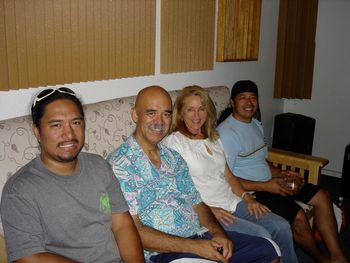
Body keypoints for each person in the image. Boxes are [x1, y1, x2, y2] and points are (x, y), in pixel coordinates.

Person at [107, 85, 280, 263]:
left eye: (166, 114)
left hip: (199, 235)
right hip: (164, 252)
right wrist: (195, 248)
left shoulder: (173, 157)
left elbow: (198, 203)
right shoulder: (120, 166)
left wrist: (218, 233)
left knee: (269, 250)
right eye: (151, 113)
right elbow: (132, 231)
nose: (160, 121)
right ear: (135, 115)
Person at [0, 87, 145, 263]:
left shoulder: (99, 166)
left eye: (76, 123)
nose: (69, 134)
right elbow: (28, 257)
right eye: (56, 125)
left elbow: (122, 225)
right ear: (37, 131)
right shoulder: (19, 190)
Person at [217, 80, 348, 263]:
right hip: (253, 192)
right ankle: (321, 259)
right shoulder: (226, 134)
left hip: (271, 182)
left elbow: (260, 161)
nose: (249, 103)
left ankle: (337, 256)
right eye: (242, 98)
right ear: (232, 103)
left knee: (323, 196)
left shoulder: (255, 124)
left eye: (253, 98)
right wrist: (267, 186)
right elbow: (225, 178)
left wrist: (282, 174)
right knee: (299, 217)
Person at [163, 85, 296, 262]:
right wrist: (208, 211)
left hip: (232, 201)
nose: (197, 115)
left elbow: (228, 174)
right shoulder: (174, 143)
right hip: (209, 210)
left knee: (281, 227)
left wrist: (247, 198)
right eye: (190, 109)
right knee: (262, 236)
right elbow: (172, 190)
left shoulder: (213, 137)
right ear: (180, 112)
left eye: (201, 109)